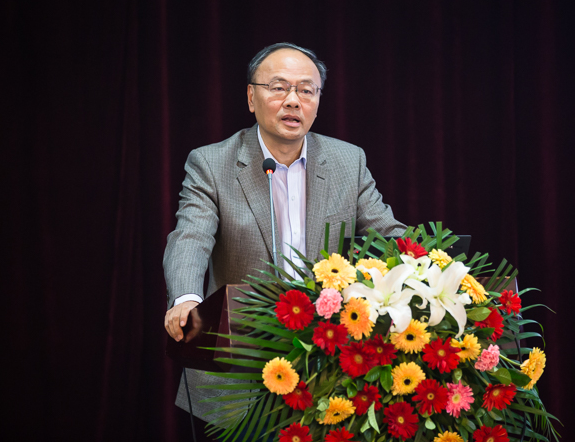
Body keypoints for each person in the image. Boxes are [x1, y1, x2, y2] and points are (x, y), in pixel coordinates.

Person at [163, 42, 405, 436]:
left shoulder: (348, 161)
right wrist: (186, 297)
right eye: (278, 87)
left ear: (317, 102)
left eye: (306, 90)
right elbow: (190, 237)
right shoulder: (212, 163)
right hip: (238, 367)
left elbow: (389, 236)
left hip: (326, 366)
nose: (293, 100)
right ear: (251, 97)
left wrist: (440, 272)